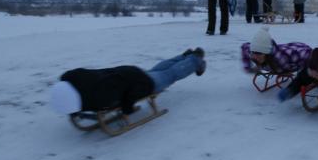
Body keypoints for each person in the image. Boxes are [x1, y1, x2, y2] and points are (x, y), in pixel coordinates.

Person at [50, 49, 206, 115]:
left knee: (170, 75)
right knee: (157, 72)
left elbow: (127, 94)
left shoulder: (99, 98)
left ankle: (195, 59)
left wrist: (127, 109)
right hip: (127, 71)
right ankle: (184, 56)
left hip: (140, 83)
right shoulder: (74, 78)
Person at [241, 27, 311, 74]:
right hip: (281, 48)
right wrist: (248, 67)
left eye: (259, 53)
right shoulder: (252, 51)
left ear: (267, 53)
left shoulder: (283, 58)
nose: (255, 56)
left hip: (299, 48)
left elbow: (307, 54)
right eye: (254, 52)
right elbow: (244, 46)